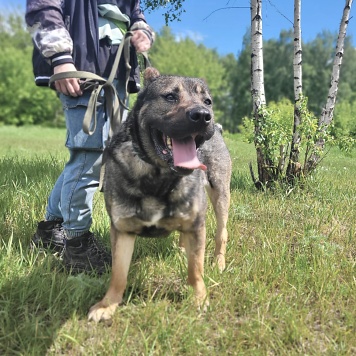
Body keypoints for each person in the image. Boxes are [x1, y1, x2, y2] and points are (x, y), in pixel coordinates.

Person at [25, 0, 154, 274]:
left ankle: (51, 228)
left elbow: (135, 12)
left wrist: (142, 30)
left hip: (118, 73)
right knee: (87, 155)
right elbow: (42, 7)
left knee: (89, 156)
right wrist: (59, 58)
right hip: (81, 68)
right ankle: (77, 243)